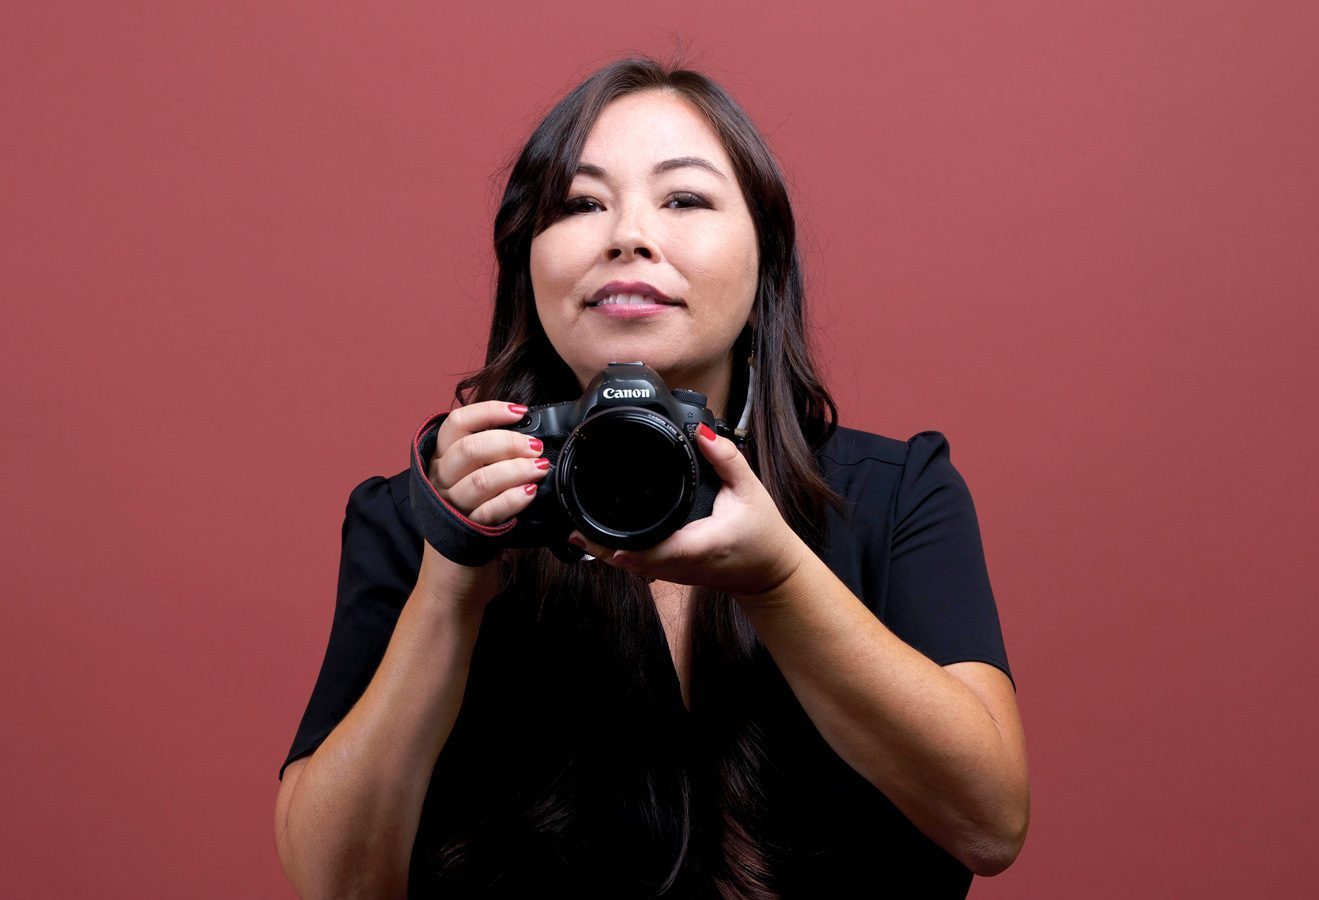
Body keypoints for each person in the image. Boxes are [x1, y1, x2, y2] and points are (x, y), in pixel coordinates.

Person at [274, 56, 1028, 898]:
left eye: (685, 199)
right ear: (527, 261)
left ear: (767, 257)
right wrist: (452, 574)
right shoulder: (420, 518)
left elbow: (989, 822)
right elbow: (337, 884)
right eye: (580, 204)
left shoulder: (892, 493)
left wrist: (780, 581)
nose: (627, 235)